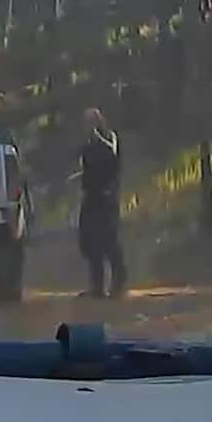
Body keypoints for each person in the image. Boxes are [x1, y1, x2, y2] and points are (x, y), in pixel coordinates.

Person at [76, 107, 127, 298]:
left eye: (92, 121)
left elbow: (113, 159)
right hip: (91, 196)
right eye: (86, 122)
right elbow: (83, 164)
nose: (88, 126)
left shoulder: (109, 138)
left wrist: (97, 138)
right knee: (89, 241)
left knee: (109, 239)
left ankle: (118, 282)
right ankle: (96, 286)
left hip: (107, 196)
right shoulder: (87, 143)